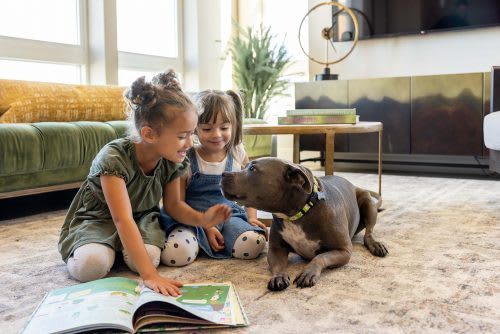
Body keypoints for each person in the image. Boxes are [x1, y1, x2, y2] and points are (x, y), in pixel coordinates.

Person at [58, 70, 231, 296]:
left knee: (149, 257)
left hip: (142, 219)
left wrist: (203, 220)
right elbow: (122, 218)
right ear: (149, 134)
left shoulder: (173, 160)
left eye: (191, 134)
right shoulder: (113, 159)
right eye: (182, 136)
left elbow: (174, 206)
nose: (190, 143)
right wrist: (150, 276)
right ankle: (103, 248)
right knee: (90, 267)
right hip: (98, 219)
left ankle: (119, 250)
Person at [161, 89, 267, 266]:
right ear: (194, 128)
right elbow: (178, 202)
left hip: (229, 216)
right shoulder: (186, 157)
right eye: (207, 128)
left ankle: (213, 243)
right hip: (192, 219)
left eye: (224, 128)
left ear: (234, 125)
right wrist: (206, 225)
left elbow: (249, 190)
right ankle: (198, 242)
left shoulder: (238, 153)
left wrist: (251, 217)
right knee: (176, 253)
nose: (217, 134)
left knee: (253, 244)